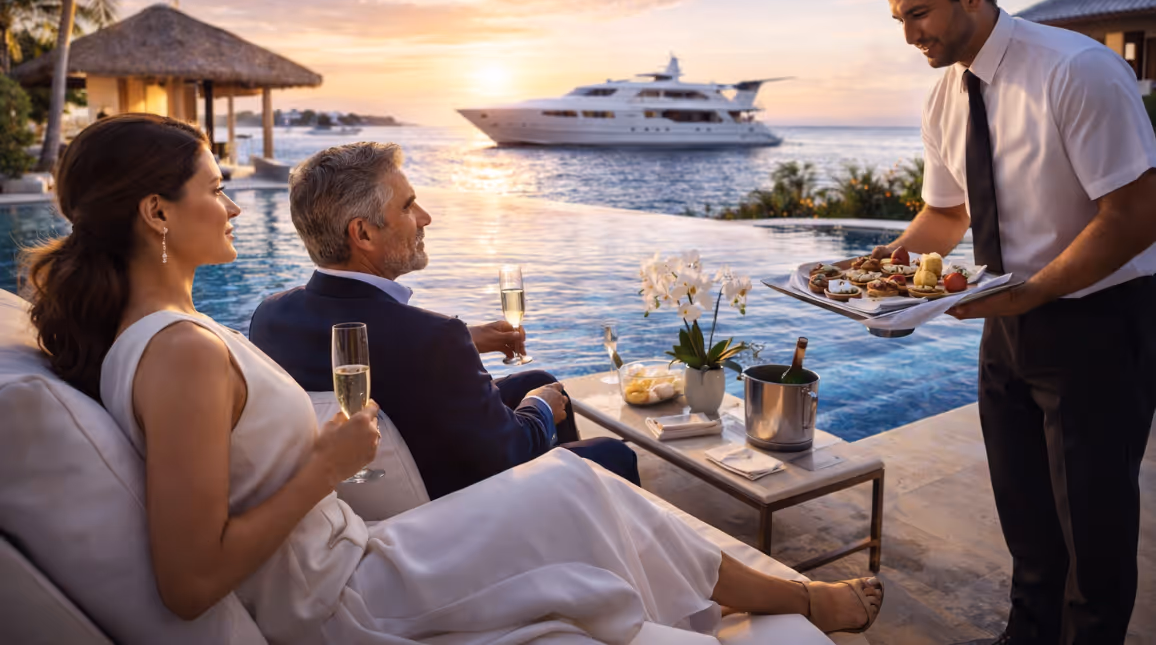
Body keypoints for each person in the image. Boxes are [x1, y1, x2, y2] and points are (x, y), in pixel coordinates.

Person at [21, 113, 882, 641]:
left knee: (581, 493)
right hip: (342, 598)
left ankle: (792, 599)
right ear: (157, 211)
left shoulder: (173, 334)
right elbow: (189, 582)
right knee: (582, 488)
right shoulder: (178, 352)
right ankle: (802, 603)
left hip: (348, 559)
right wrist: (325, 464)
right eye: (216, 186)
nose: (237, 204)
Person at [873, 0, 1156, 645]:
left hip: (1099, 322)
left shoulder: (1077, 70)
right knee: (1025, 516)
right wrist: (873, 272)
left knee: (1094, 526)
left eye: (919, 14)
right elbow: (945, 214)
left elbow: (1136, 213)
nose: (909, 34)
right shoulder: (945, 94)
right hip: (1006, 322)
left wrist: (1034, 293)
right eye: (899, 19)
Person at [249, 142, 639, 498]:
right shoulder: (430, 337)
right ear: (363, 233)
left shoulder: (270, 317)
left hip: (380, 479)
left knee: (536, 379)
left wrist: (467, 340)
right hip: (452, 506)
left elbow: (379, 357)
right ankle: (562, 524)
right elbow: (510, 451)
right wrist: (538, 409)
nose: (425, 217)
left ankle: (568, 516)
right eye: (407, 206)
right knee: (610, 453)